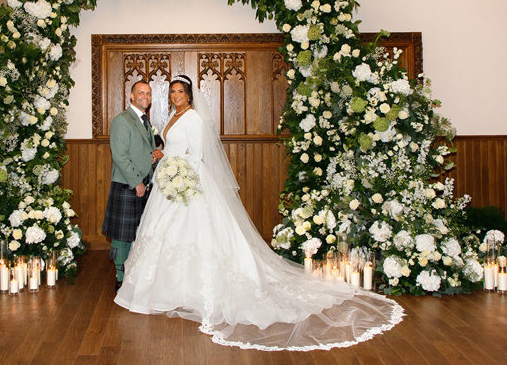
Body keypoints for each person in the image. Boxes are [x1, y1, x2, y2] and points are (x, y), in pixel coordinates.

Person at [114, 75, 404, 351]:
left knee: (196, 234)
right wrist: (162, 155)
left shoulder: (195, 118)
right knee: (162, 234)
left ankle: (196, 289)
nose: (176, 96)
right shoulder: (172, 118)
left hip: (187, 181)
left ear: (189, 95)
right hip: (169, 182)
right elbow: (172, 145)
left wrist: (177, 167)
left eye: (181, 91)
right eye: (172, 92)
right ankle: (165, 289)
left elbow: (197, 153)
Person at [102, 80, 162, 291]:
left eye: (148, 93)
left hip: (145, 185)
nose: (145, 96)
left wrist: (152, 156)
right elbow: (120, 155)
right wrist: (136, 182)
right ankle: (120, 277)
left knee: (137, 233)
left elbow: (141, 150)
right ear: (131, 96)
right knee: (121, 235)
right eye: (141, 93)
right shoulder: (122, 120)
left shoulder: (145, 121)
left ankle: (133, 273)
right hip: (128, 184)